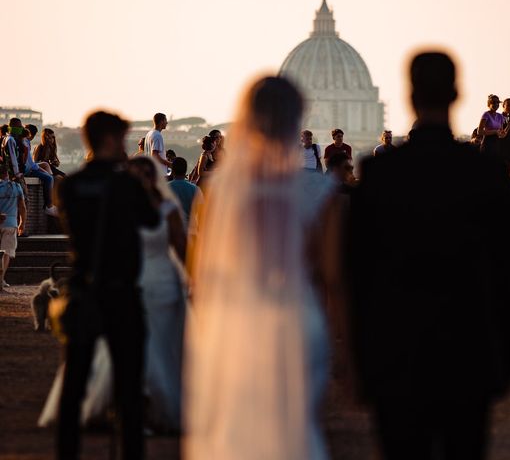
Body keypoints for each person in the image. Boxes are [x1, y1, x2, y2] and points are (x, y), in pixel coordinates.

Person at [348, 52, 510, 460]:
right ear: (457, 94)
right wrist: (504, 363)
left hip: (397, 358)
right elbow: (509, 276)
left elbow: (357, 274)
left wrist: (363, 364)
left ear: (409, 97)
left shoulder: (378, 175)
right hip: (469, 358)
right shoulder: (484, 175)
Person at [185, 76, 336, 460]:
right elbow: (331, 275)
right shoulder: (317, 191)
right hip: (301, 320)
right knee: (299, 424)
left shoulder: (222, 191)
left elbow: (204, 271)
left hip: (240, 319)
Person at [55, 110, 159, 460]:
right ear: (111, 140)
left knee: (74, 385)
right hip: (122, 293)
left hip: (85, 289)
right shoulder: (126, 184)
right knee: (129, 389)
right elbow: (151, 217)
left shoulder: (71, 185)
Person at [128, 155, 187, 432]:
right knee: (141, 346)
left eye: (146, 175)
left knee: (165, 344)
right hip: (134, 281)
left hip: (164, 281)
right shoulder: (123, 209)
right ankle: (142, 406)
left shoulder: (168, 209)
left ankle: (163, 405)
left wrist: (191, 280)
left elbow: (181, 248)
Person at [0, 164, 26, 288]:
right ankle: (1, 278)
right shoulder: (16, 187)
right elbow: (22, 207)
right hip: (10, 224)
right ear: (7, 174)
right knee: (6, 253)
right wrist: (22, 223)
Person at [22, 124, 57, 215]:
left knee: (49, 170)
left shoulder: (25, 142)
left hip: (29, 168)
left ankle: (52, 201)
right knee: (49, 178)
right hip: (26, 170)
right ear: (32, 135)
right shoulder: (26, 143)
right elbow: (31, 163)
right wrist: (43, 170)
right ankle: (49, 205)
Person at [169, 156, 202, 226]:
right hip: (191, 230)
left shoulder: (165, 189)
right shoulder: (195, 189)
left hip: (172, 230)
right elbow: (201, 213)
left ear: (172, 170)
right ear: (185, 170)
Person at [498, 98, 510, 169]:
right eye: (508, 105)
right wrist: (509, 124)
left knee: (508, 170)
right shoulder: (499, 117)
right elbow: (501, 134)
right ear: (503, 105)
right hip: (502, 147)